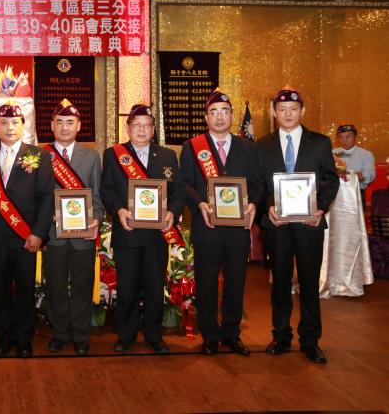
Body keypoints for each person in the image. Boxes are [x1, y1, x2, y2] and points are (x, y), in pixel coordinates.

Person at [257, 87, 339, 364]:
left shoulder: (320, 143)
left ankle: (310, 340)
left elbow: (331, 179)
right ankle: (281, 336)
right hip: (277, 224)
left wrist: (320, 207)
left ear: (302, 111)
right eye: (282, 109)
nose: (288, 114)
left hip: (309, 223)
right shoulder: (263, 145)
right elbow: (258, 184)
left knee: (309, 282)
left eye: (293, 109)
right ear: (274, 113)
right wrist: (268, 205)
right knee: (280, 282)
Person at [179, 90, 262, 357]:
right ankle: (210, 336)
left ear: (232, 116)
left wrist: (253, 204)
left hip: (238, 229)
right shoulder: (192, 146)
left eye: (224, 112)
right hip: (207, 227)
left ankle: (231, 334)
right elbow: (185, 184)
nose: (219, 117)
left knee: (236, 282)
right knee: (206, 283)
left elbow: (257, 183)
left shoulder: (248, 147)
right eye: (213, 112)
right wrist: (200, 203)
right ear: (206, 118)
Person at [100, 104, 185, 355]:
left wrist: (172, 212)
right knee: (127, 288)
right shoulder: (114, 154)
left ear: (153, 128)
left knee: (154, 287)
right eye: (136, 125)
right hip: (127, 233)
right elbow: (107, 190)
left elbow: (178, 192)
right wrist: (119, 210)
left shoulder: (168, 155)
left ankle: (154, 336)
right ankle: (125, 336)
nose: (141, 129)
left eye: (146, 125)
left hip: (157, 236)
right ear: (127, 128)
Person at [0, 102, 54, 358]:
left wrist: (38, 233)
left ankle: (23, 339)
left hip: (26, 237)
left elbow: (46, 198)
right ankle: (3, 338)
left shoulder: (39, 156)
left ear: (23, 126)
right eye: (4, 123)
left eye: (14, 123)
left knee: (25, 291)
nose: (9, 127)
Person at [42, 99, 105, 356]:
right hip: (53, 235)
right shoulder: (41, 156)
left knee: (82, 285)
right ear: (51, 126)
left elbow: (98, 198)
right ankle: (60, 332)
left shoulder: (92, 156)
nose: (65, 127)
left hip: (83, 235)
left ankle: (80, 334)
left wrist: (96, 219)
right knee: (55, 287)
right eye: (59, 122)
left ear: (79, 126)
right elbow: (38, 198)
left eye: (70, 122)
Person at [333, 124, 375, 204]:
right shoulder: (332, 153)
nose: (344, 140)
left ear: (355, 137)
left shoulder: (366, 154)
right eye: (341, 137)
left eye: (348, 137)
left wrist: (362, 176)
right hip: (336, 193)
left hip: (357, 193)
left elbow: (370, 176)